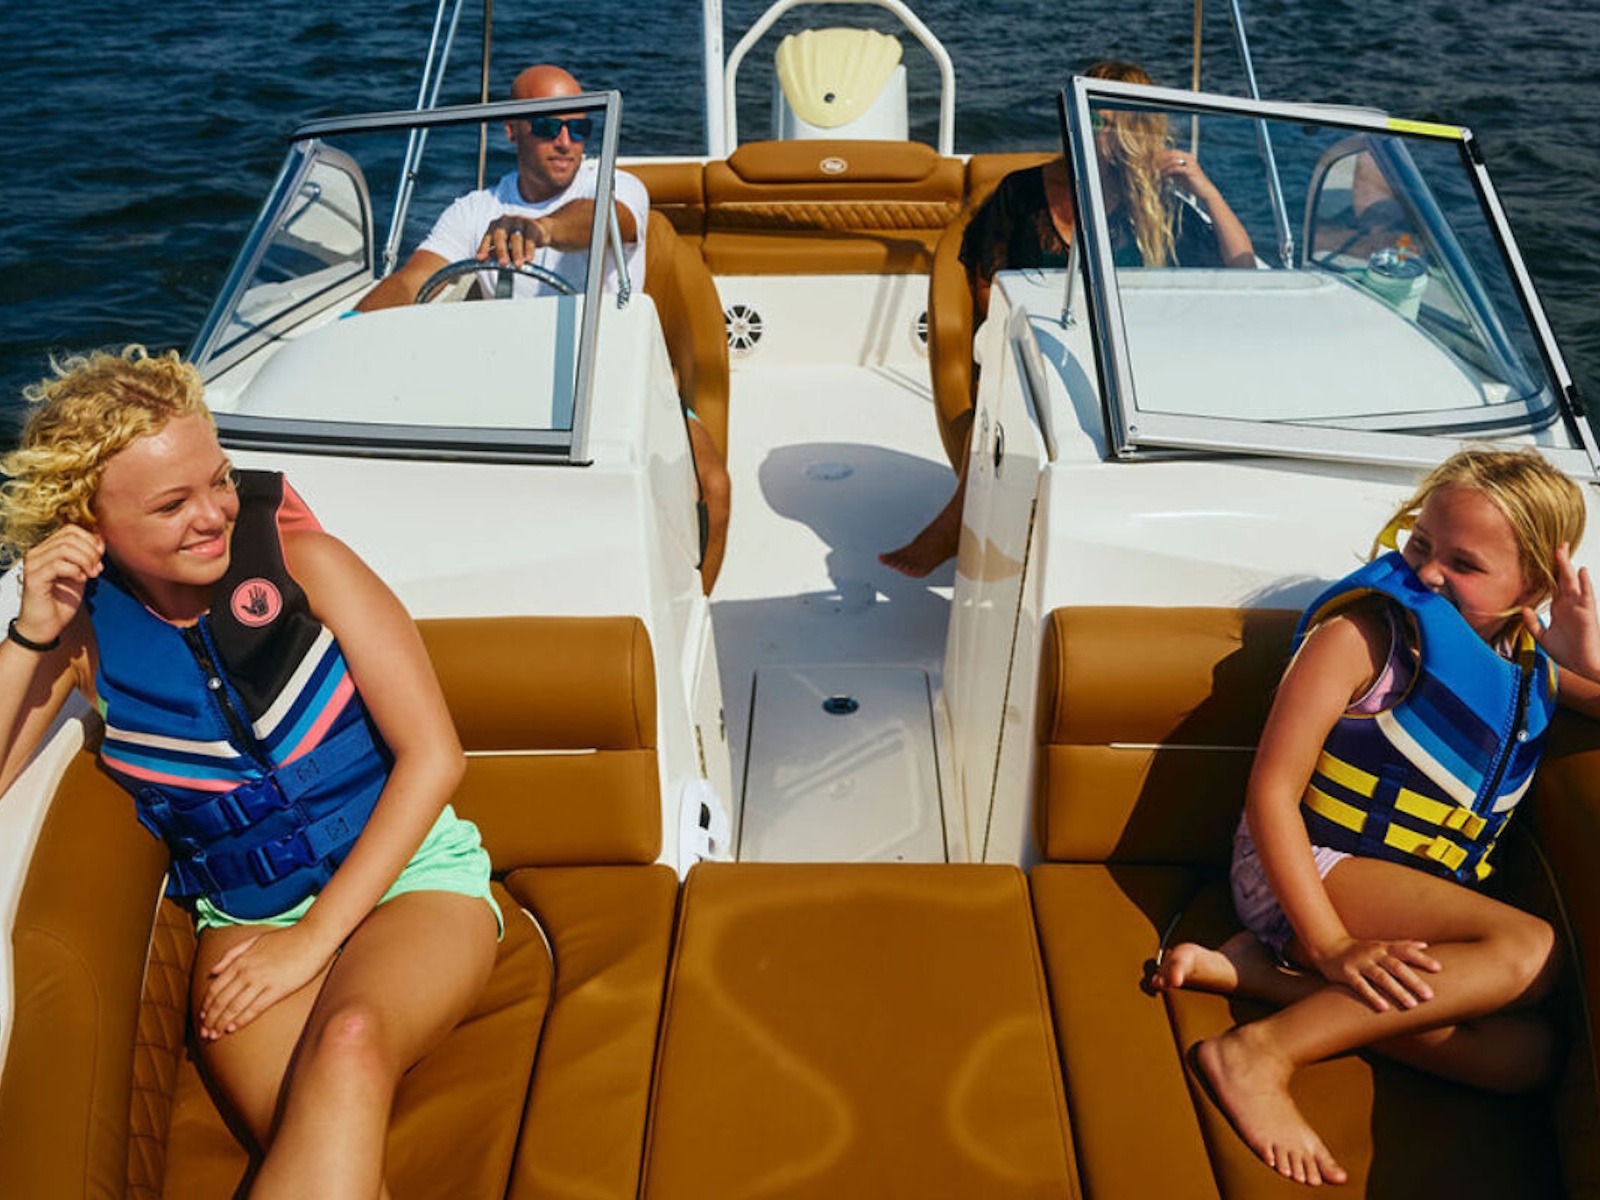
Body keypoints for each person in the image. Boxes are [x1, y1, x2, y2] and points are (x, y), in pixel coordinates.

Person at [0, 347, 500, 1199]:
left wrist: (312, 942)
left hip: (414, 880)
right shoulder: (83, 642)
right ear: (88, 522)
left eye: (220, 480)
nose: (213, 516)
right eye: (171, 504)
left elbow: (434, 756)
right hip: (245, 922)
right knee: (332, 1156)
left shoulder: (311, 565)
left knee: (348, 1041)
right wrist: (31, 633)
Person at [1150, 446, 1600, 1186]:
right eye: (1422, 544)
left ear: (1535, 587)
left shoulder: (1530, 664)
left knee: (1529, 1057)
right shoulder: (1364, 635)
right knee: (1533, 949)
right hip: (1301, 874)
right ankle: (1258, 1053)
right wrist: (1328, 943)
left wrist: (1587, 658)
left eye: (1464, 564)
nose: (1429, 574)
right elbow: (1271, 794)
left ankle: (1263, 976)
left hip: (1390, 898)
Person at [357, 63, 730, 594]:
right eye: (549, 126)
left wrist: (542, 229)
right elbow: (414, 281)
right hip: (515, 389)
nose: (566, 142)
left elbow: (610, 221)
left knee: (712, 486)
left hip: (618, 379)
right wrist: (342, 332)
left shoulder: (616, 186)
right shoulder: (475, 210)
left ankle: (693, 604)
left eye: (579, 128)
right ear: (511, 130)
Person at [881, 60, 1254, 578]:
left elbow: (1242, 271)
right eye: (1091, 118)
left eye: (1109, 122)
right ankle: (959, 521)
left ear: (1135, 130)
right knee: (1014, 374)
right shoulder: (1021, 192)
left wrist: (1205, 190)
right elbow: (987, 291)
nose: (1096, 131)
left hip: (1126, 354)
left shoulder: (1155, 203)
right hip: (1034, 342)